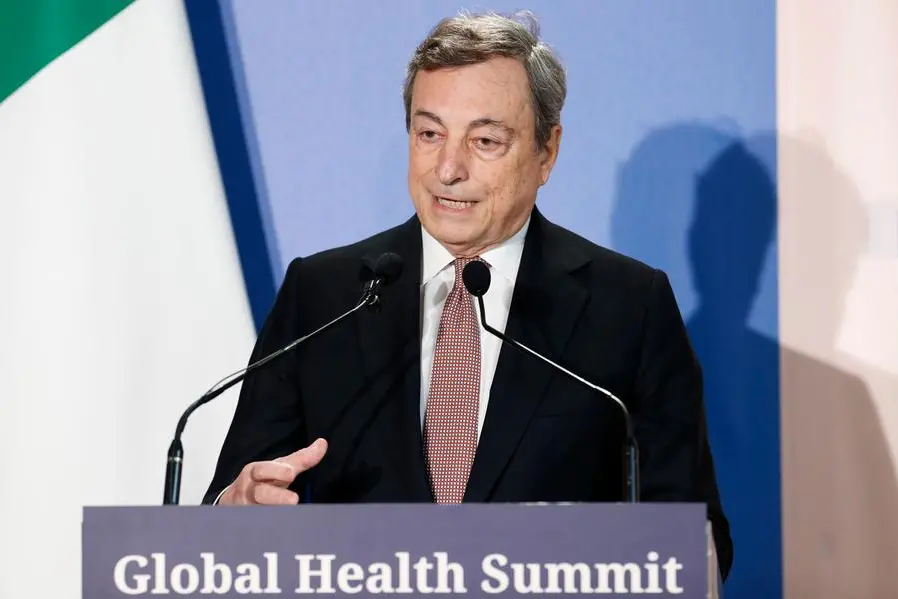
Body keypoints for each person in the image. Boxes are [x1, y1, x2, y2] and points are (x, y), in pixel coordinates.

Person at [204, 10, 733, 580]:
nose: (448, 169)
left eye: (484, 141)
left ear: (546, 152)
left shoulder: (628, 307)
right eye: (429, 133)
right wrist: (235, 513)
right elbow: (232, 497)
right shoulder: (325, 295)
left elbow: (694, 540)